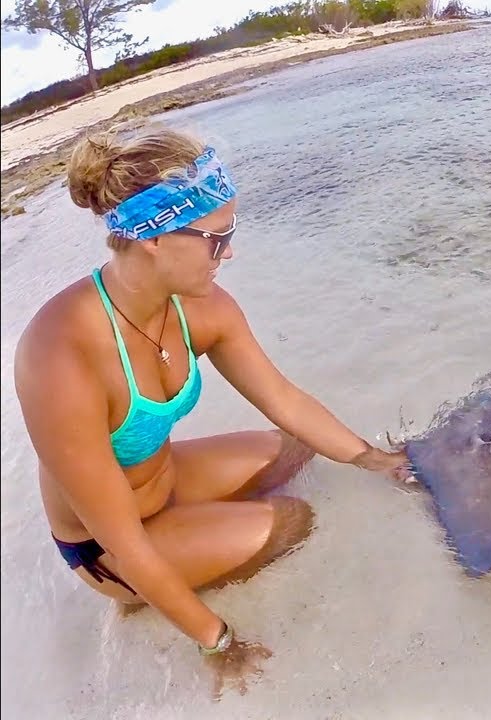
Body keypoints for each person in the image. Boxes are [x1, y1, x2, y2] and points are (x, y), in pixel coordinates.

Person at [12, 124, 408, 697]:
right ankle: (139, 600)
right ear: (153, 237)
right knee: (293, 520)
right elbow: (122, 537)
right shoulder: (60, 354)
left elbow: (286, 400)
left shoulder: (201, 306)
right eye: (217, 237)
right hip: (108, 546)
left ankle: (195, 544)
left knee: (294, 446)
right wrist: (217, 640)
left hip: (164, 481)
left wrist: (380, 461)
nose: (231, 251)